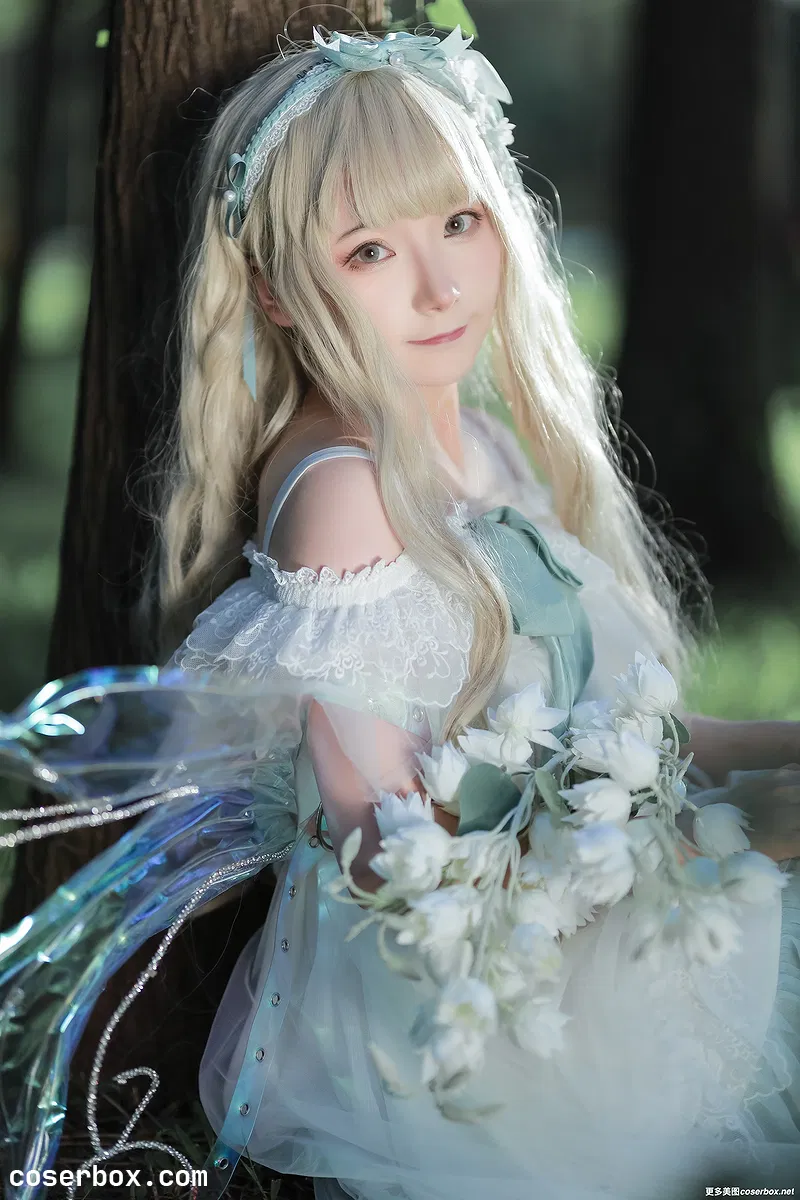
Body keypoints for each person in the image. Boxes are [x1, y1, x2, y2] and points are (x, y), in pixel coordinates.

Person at [0, 19, 798, 1200]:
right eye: (370, 250)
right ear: (274, 291)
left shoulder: (480, 452)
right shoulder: (342, 499)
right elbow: (389, 863)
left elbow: (622, 736)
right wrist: (706, 835)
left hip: (573, 915)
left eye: (459, 222)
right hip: (443, 1019)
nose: (440, 285)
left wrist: (767, 759)